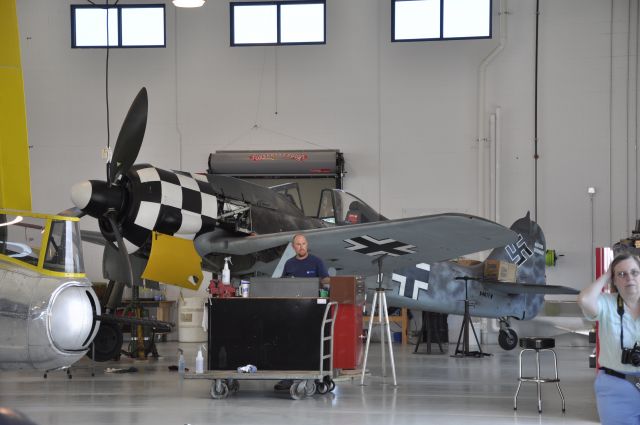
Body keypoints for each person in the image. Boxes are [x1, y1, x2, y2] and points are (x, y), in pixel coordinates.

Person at [578, 253, 640, 425]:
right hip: (616, 386)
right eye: (621, 274)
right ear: (614, 280)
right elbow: (584, 299)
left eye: (635, 272)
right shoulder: (606, 303)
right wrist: (606, 274)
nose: (629, 278)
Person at [275, 234, 329, 391]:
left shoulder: (317, 262)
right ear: (293, 247)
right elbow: (282, 285)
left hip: (313, 310)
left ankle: (318, 375)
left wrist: (318, 281)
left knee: (313, 344)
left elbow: (327, 280)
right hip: (292, 311)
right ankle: (288, 378)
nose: (301, 246)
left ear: (307, 244)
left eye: (303, 243)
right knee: (289, 343)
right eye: (298, 244)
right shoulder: (289, 264)